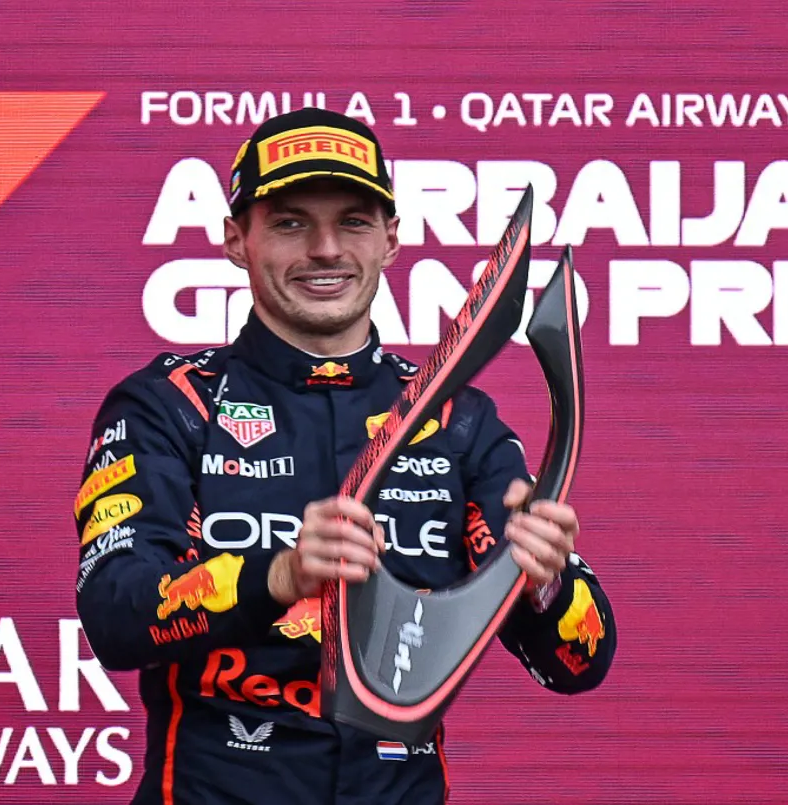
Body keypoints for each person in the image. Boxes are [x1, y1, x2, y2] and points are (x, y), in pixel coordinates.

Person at [74, 107, 616, 805]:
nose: (326, 249)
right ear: (236, 240)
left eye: (354, 222)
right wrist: (280, 574)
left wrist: (545, 581)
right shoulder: (171, 405)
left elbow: (579, 662)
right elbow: (115, 615)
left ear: (391, 240)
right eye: (290, 223)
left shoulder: (458, 421)